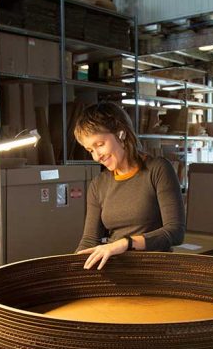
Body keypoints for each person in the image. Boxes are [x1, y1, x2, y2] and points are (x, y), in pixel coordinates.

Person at [74, 102, 185, 270]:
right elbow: (89, 241)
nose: (97, 157)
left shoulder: (158, 169)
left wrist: (125, 244)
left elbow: (175, 232)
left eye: (100, 145)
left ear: (121, 133)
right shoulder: (98, 185)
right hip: (116, 271)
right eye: (90, 150)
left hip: (156, 270)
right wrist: (70, 271)